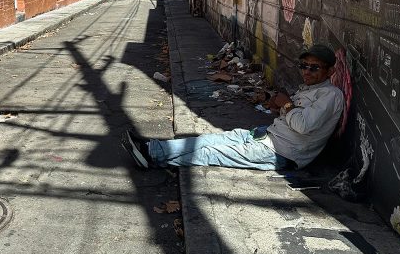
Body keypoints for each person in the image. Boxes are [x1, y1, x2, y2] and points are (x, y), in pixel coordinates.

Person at [122, 44, 345, 171]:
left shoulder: (331, 96)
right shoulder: (308, 89)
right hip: (267, 136)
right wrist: (278, 108)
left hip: (282, 153)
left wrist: (285, 103)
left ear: (330, 72)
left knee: (212, 153)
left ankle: (151, 155)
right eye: (304, 66)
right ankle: (152, 147)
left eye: (314, 68)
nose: (306, 71)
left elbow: (304, 125)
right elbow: (291, 115)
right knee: (207, 140)